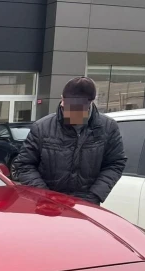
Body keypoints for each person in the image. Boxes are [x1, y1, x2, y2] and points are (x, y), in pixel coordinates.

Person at [12, 77, 126, 205]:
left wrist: (94, 196)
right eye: (68, 106)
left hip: (86, 205)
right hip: (47, 205)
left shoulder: (108, 127)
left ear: (91, 103)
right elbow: (24, 165)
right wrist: (45, 196)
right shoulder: (42, 127)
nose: (72, 112)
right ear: (62, 99)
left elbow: (115, 164)